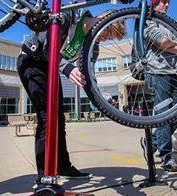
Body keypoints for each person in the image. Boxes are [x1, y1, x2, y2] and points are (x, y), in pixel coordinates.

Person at [18, 9, 125, 181]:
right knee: (47, 117)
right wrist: (68, 69)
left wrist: (100, 95)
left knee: (59, 118)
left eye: (110, 38)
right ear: (103, 19)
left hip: (50, 68)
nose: (105, 39)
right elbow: (48, 48)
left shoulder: (93, 46)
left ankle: (63, 167)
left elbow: (89, 76)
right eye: (109, 33)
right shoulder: (71, 16)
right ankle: (44, 175)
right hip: (32, 61)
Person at [140, 0, 177, 172]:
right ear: (154, 2)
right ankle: (166, 157)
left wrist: (174, 46)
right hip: (157, 72)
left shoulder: (169, 23)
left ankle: (150, 142)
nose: (166, 5)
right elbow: (164, 42)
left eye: (168, 2)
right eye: (162, 2)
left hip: (173, 72)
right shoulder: (148, 21)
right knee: (163, 116)